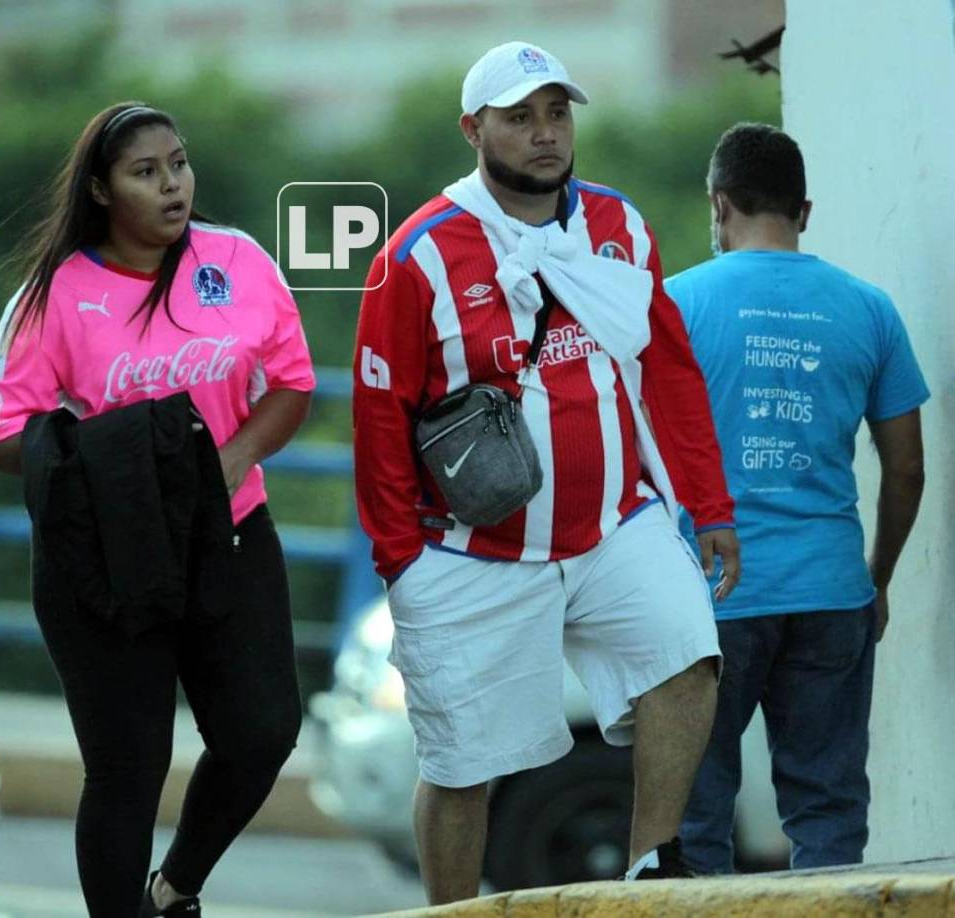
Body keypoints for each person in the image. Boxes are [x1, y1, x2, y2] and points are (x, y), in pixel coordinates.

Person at [352, 42, 741, 904]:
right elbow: (379, 415)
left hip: (615, 524)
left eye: (557, 113)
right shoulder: (416, 255)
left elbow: (669, 367)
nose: (543, 134)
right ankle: (453, 910)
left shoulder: (619, 226)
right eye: (519, 116)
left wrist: (708, 506)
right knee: (462, 765)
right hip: (470, 550)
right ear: (473, 129)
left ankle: (650, 869)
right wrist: (398, 561)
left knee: (689, 657)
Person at [0, 102, 316, 917]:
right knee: (127, 766)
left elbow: (294, 385)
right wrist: (120, 468)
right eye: (146, 172)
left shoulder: (237, 260)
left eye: (180, 163)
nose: (173, 185)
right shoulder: (52, 295)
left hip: (228, 533)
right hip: (106, 560)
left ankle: (173, 891)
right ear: (100, 190)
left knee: (261, 732)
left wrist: (218, 469)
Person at [666, 123, 929, 872]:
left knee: (694, 813)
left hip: (707, 595)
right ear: (803, 211)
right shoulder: (869, 309)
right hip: (830, 590)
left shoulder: (675, 305)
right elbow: (906, 468)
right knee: (828, 810)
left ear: (719, 204)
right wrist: (875, 579)